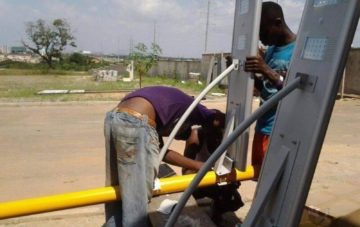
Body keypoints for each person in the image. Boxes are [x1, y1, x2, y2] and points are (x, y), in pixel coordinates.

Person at [103, 86, 226, 227]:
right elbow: (217, 118)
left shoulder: (162, 113)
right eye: (178, 133)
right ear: (183, 123)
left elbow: (161, 153)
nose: (172, 135)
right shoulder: (195, 109)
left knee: (118, 190)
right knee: (136, 198)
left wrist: (198, 165)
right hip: (135, 122)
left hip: (114, 118)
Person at [244, 1, 296, 177]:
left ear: (278, 23)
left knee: (274, 181)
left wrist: (264, 68)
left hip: (280, 131)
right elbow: (267, 90)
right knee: (259, 178)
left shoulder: (299, 50)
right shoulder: (272, 50)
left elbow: (295, 91)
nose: (260, 38)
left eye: (263, 31)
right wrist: (253, 72)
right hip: (262, 128)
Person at [182, 125, 244, 224]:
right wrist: (205, 170)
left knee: (234, 201)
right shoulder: (195, 136)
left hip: (217, 181)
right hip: (198, 182)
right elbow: (185, 172)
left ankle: (216, 213)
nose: (217, 136)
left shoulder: (227, 139)